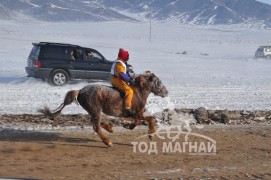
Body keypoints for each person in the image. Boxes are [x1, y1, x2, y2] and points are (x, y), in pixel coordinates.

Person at [111, 48, 135, 116]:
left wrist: (129, 78)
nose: (127, 59)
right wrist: (129, 80)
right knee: (129, 91)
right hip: (117, 80)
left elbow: (124, 73)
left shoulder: (120, 62)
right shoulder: (119, 63)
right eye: (127, 57)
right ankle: (127, 108)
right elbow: (121, 75)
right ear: (124, 57)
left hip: (116, 79)